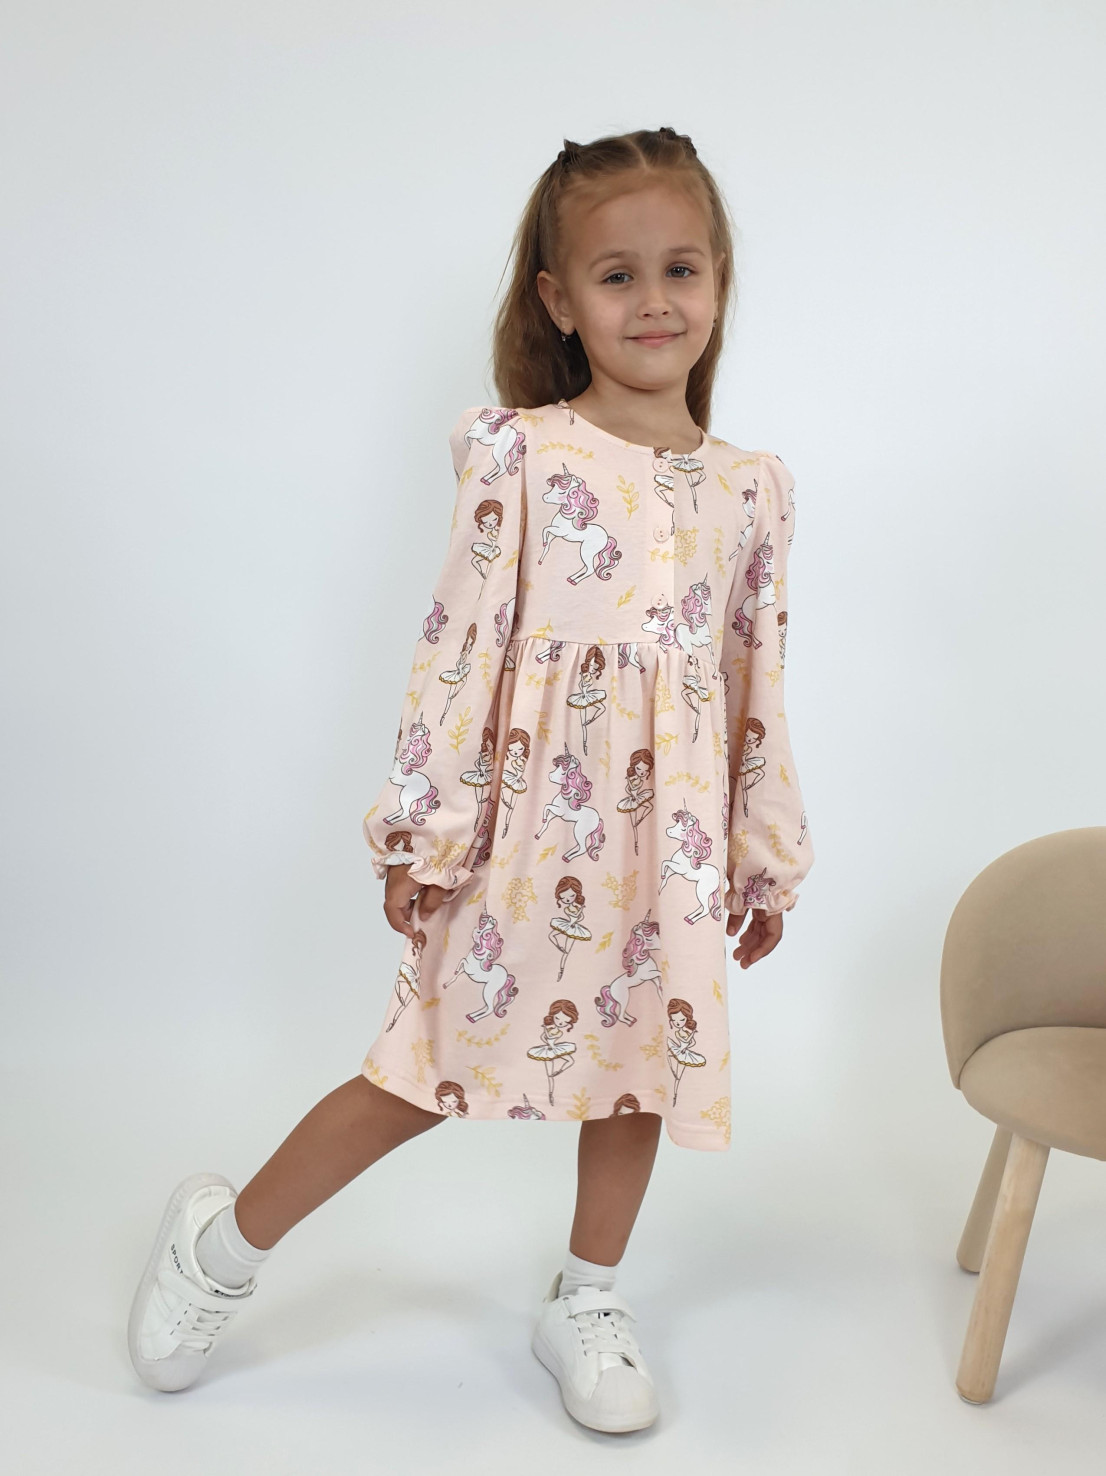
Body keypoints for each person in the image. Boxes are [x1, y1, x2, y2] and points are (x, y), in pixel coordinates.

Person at [127, 124, 815, 1435]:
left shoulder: (755, 490)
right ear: (559, 300)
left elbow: (754, 677)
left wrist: (760, 846)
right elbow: (460, 650)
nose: (653, 300)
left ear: (720, 281)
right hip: (523, 832)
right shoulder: (523, 456)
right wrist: (423, 829)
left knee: (640, 1068)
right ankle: (217, 1250)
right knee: (421, 1069)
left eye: (680, 269)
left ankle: (587, 1296)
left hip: (667, 846)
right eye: (616, 275)